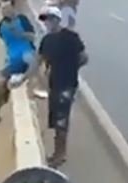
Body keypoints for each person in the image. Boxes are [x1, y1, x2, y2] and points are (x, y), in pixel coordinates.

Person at [37, 5, 88, 167]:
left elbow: (84, 57)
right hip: (54, 84)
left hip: (67, 85)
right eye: (45, 20)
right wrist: (23, 78)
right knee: (55, 118)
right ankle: (57, 152)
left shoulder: (71, 37)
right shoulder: (47, 40)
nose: (47, 23)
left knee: (61, 119)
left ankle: (60, 154)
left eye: (49, 19)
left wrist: (70, 68)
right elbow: (37, 61)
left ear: (57, 20)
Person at [0, 0, 36, 125]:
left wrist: (21, 34)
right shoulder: (1, 26)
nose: (5, 12)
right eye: (3, 10)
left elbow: (33, 37)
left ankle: (34, 86)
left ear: (13, 8)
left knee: (31, 61)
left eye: (7, 9)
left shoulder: (22, 20)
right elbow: (7, 44)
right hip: (13, 61)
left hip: (27, 57)